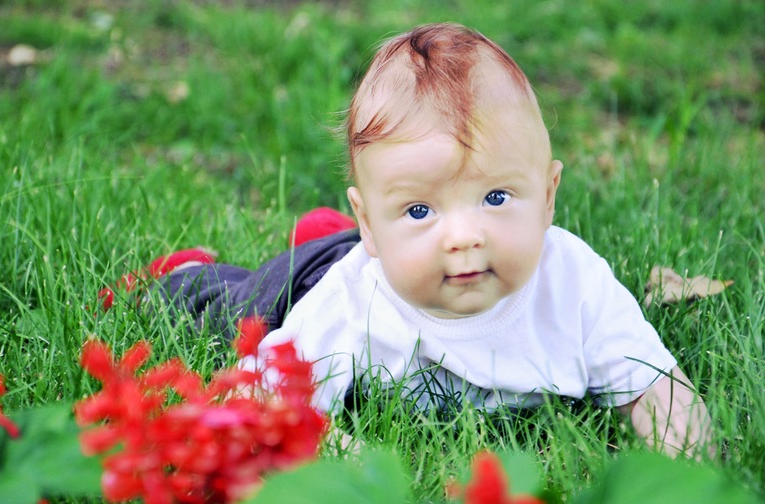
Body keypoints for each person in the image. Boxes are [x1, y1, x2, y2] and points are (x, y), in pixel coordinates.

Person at [146, 23, 711, 457]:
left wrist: (693, 461)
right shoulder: (348, 308)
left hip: (380, 249)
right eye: (420, 209)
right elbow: (265, 406)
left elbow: (654, 387)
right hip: (314, 280)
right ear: (371, 222)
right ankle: (193, 268)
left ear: (548, 195)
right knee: (235, 305)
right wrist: (351, 459)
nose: (464, 237)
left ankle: (340, 228)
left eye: (495, 198)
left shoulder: (575, 284)